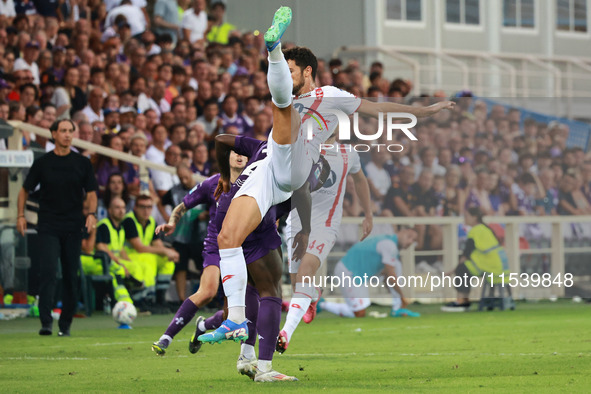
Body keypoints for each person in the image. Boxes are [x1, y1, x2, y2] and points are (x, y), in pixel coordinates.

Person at [206, 6, 454, 345]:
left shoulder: (330, 97)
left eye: (291, 70)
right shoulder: (294, 103)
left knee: (281, 104)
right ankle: (235, 318)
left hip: (298, 167)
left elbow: (378, 109)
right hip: (271, 169)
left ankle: (272, 48)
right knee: (227, 237)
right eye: (284, 69)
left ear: (307, 72)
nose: (291, 76)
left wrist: (425, 110)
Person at [153, 136, 302, 381]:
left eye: (241, 153)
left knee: (248, 298)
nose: (239, 155)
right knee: (222, 293)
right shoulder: (218, 181)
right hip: (222, 242)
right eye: (235, 153)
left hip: (243, 236)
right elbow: (182, 205)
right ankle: (169, 337)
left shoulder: (260, 168)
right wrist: (172, 221)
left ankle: (242, 352)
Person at [277, 133, 373, 353]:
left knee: (305, 270)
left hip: (326, 225)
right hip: (296, 222)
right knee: (296, 284)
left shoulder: (349, 155)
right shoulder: (303, 148)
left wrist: (368, 214)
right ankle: (313, 294)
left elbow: (360, 179)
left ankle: (285, 334)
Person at [17, 119, 98, 336]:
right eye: (63, 131)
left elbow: (91, 193)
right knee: (49, 272)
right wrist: (20, 215)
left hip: (73, 225)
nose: (67, 135)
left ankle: (65, 324)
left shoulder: (82, 163)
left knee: (72, 275)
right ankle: (45, 323)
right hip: (48, 224)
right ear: (53, 134)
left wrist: (91, 214)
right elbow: (24, 190)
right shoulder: (43, 163)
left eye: (71, 131)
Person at [319, 228, 420, 318]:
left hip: (359, 276)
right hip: (348, 272)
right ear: (401, 232)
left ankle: (397, 308)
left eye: (414, 241)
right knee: (359, 313)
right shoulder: (389, 245)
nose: (410, 241)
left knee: (396, 264)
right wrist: (403, 296)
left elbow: (388, 278)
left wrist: (398, 296)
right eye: (409, 236)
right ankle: (321, 304)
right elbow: (391, 276)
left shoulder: (388, 242)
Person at [441, 207, 510, 312]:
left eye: (466, 216)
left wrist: (451, 271)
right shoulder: (486, 229)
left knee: (462, 269)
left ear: (475, 217)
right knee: (465, 268)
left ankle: (462, 302)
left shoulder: (475, 231)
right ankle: (463, 301)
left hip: (490, 267)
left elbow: (465, 255)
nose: (464, 219)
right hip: (500, 266)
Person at [81, 197, 141, 310]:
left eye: (123, 208)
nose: (121, 211)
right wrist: (94, 230)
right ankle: (125, 304)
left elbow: (120, 249)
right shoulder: (99, 225)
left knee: (136, 266)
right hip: (88, 262)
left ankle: (139, 300)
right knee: (118, 270)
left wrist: (127, 262)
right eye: (117, 208)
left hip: (104, 261)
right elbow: (93, 249)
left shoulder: (121, 228)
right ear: (109, 210)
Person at [121, 194, 179, 311]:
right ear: (135, 208)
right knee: (149, 260)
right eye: (142, 207)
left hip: (143, 255)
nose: (146, 210)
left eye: (149, 207)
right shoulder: (129, 220)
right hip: (129, 256)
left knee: (167, 261)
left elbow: (157, 244)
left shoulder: (151, 222)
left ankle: (160, 298)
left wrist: (169, 253)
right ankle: (146, 299)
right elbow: (139, 248)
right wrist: (165, 250)